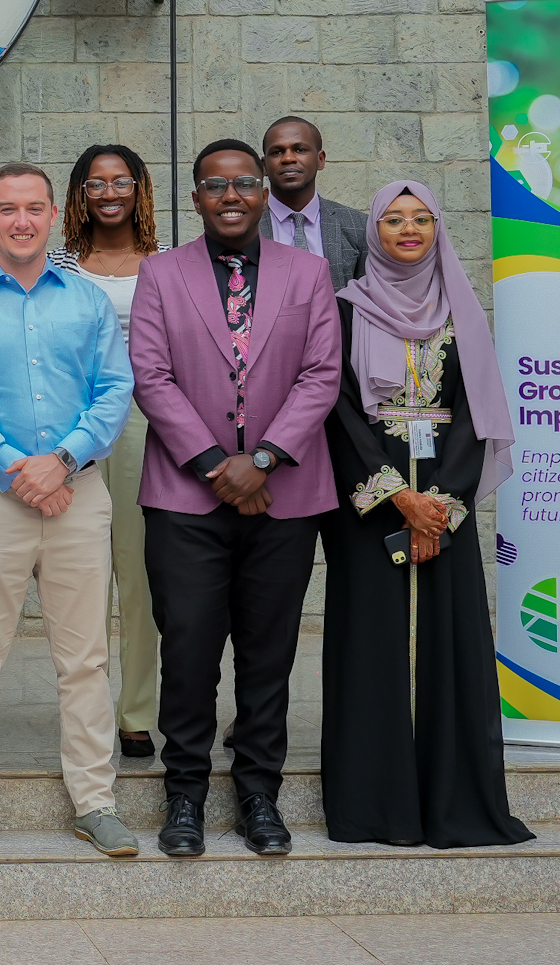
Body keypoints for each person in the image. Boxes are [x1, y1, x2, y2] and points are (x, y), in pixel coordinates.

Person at [129, 139, 342, 860]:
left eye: (243, 183)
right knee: (188, 650)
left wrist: (266, 460)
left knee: (267, 653)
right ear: (194, 198)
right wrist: (221, 466)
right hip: (186, 499)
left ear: (262, 194)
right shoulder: (159, 273)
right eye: (214, 185)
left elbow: (321, 374)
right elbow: (151, 375)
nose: (230, 195)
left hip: (286, 495)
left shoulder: (308, 274)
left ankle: (258, 794)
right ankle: (184, 794)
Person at [0, 163, 137, 862]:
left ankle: (95, 801)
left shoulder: (86, 302)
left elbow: (114, 390)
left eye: (34, 208)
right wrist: (18, 468)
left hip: (78, 494)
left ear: (54, 217)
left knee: (84, 657)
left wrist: (64, 460)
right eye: (8, 208)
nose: (22, 220)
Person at [323, 181, 532, 848]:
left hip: (447, 502)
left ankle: (452, 799)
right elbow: (337, 409)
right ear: (374, 233)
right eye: (393, 219)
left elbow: (476, 418)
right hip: (371, 502)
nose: (407, 229)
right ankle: (374, 806)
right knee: (371, 642)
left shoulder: (461, 314)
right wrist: (395, 498)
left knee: (447, 642)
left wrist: (438, 507)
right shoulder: (345, 310)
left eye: (421, 219)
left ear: (438, 229)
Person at [50, 142, 164, 761]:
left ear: (140, 189)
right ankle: (87, 710)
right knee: (82, 577)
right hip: (80, 431)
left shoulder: (170, 262)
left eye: (122, 182)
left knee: (142, 574)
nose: (110, 193)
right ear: (80, 195)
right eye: (97, 184)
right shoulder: (59, 265)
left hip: (152, 427)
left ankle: (138, 711)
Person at [260, 116, 367, 293]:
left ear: (320, 160)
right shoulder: (246, 227)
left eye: (300, 150)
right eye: (277, 152)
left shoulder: (358, 226)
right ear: (264, 166)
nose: (288, 158)